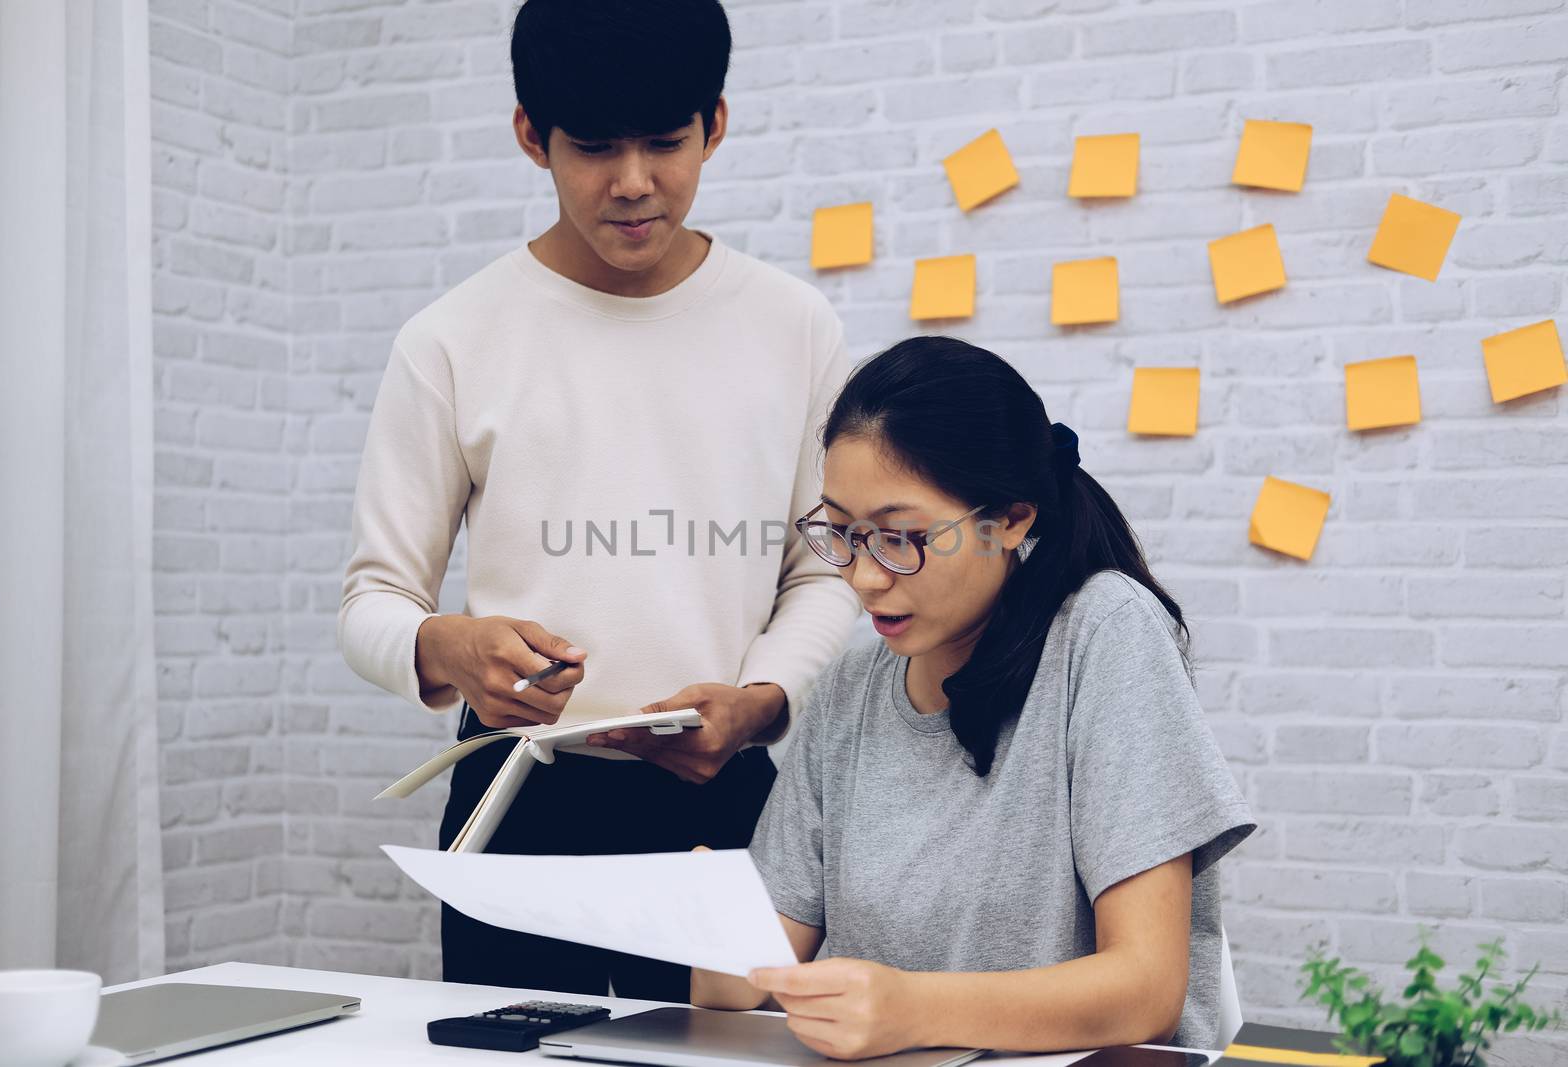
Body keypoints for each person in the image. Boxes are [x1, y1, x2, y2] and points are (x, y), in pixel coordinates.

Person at [338, 0, 859, 1001]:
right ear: (532, 134)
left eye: (665, 143)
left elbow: (827, 568)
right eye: (592, 147)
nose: (631, 183)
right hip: (519, 799)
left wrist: (761, 702)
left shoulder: (792, 325)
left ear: (716, 122)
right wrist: (450, 647)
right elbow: (372, 600)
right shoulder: (452, 337)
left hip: (731, 799)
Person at [691, 337, 1256, 1057]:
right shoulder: (848, 690)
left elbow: (1145, 990)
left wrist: (909, 1008)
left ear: (1012, 518)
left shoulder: (1104, 633)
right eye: (841, 532)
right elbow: (743, 989)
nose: (864, 577)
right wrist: (710, 920)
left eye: (901, 536)